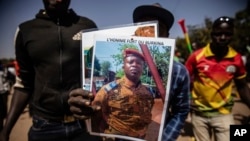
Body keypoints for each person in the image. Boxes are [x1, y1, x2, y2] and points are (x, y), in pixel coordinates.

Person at [0, 0, 101, 141]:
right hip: (44, 126)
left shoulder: (88, 27)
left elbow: (97, 76)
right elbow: (24, 85)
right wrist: (5, 131)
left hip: (84, 125)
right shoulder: (25, 31)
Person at [185, 16, 250, 141]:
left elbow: (242, 86)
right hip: (199, 115)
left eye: (228, 34)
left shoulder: (236, 59)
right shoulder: (196, 57)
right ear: (212, 34)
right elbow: (185, 83)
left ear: (232, 35)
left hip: (224, 114)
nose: (223, 37)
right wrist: (183, 104)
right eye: (218, 34)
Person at [133, 3, 190, 141]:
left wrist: (166, 138)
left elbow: (180, 112)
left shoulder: (179, 72)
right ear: (135, 31)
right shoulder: (124, 66)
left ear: (167, 36)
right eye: (145, 27)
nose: (150, 33)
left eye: (158, 28)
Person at [91, 48, 154, 140]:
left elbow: (148, 111)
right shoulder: (108, 90)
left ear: (143, 69)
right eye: (131, 62)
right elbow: (96, 113)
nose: (135, 65)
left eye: (139, 63)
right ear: (123, 67)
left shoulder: (148, 92)